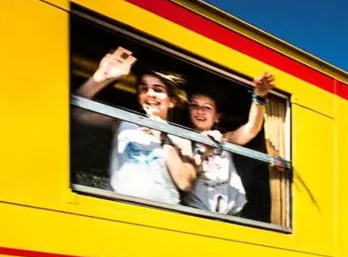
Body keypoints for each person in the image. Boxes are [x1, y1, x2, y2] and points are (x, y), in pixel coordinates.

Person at [75, 47, 197, 204]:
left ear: (172, 101)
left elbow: (185, 183)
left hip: (163, 212)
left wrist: (163, 136)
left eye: (158, 89)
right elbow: (76, 113)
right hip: (121, 208)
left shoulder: (181, 138)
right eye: (144, 88)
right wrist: (99, 78)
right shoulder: (123, 121)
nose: (150, 94)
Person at [184, 72, 275, 215]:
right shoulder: (182, 140)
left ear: (216, 117)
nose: (200, 111)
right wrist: (204, 150)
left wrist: (259, 96)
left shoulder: (224, 138)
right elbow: (184, 180)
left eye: (207, 107)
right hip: (195, 213)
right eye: (194, 106)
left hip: (231, 217)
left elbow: (252, 129)